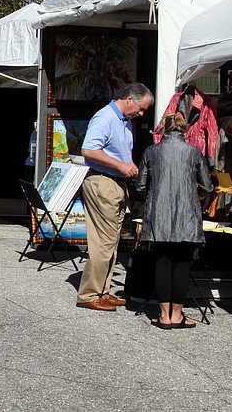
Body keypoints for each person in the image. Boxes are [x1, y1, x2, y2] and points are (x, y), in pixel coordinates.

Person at [76, 82, 153, 311]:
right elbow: (89, 150)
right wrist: (121, 166)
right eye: (141, 108)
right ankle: (89, 293)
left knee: (112, 240)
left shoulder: (124, 121)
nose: (141, 114)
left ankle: (102, 290)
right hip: (103, 182)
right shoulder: (105, 117)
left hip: (116, 183)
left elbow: (119, 153)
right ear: (129, 99)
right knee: (103, 241)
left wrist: (130, 166)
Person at [135, 113, 212, 329]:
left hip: (159, 213)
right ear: (184, 129)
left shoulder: (152, 151)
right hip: (187, 214)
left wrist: (155, 195)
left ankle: (164, 315)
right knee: (182, 263)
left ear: (163, 129)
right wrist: (193, 197)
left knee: (162, 263)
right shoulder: (194, 152)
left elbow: (140, 185)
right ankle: (177, 315)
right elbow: (207, 187)